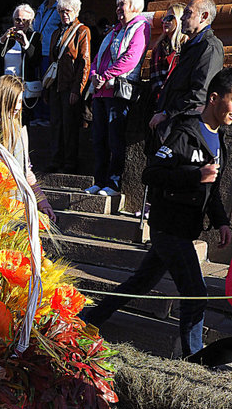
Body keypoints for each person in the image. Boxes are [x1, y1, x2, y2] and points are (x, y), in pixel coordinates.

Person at [82, 68, 232, 358]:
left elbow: (210, 189)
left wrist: (222, 222)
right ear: (214, 98)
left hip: (186, 229)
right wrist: (194, 175)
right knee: (195, 293)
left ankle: (89, 318)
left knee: (139, 282)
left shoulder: (220, 141)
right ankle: (194, 360)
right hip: (167, 228)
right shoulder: (184, 132)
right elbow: (151, 174)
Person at [85, 0, 150, 196]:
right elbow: (97, 58)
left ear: (134, 7)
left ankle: (113, 183)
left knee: (115, 139)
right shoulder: (114, 31)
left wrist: (105, 76)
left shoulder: (141, 27)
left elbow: (131, 57)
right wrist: (94, 74)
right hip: (100, 91)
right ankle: (99, 180)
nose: (118, 10)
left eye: (122, 5)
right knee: (99, 139)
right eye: (117, 5)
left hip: (117, 91)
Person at [0, 75, 56, 224]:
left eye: (20, 102)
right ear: (3, 100)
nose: (18, 107)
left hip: (14, 206)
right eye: (15, 102)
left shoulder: (20, 131)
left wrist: (42, 201)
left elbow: (26, 171)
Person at [150, 0, 223, 137]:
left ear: (204, 16)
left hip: (185, 126)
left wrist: (166, 113)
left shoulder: (210, 47)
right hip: (173, 122)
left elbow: (200, 93)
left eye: (188, 13)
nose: (182, 18)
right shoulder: (190, 46)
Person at [46, 0, 91, 174]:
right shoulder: (57, 32)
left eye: (68, 11)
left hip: (70, 85)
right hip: (56, 85)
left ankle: (70, 162)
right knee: (56, 123)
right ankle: (56, 159)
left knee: (70, 125)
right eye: (61, 11)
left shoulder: (82, 31)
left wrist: (77, 89)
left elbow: (84, 62)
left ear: (76, 11)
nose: (64, 14)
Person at [0, 4, 42, 123]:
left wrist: (25, 44)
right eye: (18, 20)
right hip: (5, 86)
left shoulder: (35, 37)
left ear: (31, 21)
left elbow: (35, 61)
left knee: (21, 122)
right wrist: (2, 39)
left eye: (25, 20)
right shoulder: (8, 36)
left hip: (22, 87)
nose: (21, 23)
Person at [32, 0, 64, 125]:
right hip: (36, 50)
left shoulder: (60, 9)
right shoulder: (41, 7)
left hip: (48, 52)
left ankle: (46, 116)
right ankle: (37, 115)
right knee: (36, 83)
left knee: (47, 84)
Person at [149, 3, 186, 103]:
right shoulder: (158, 47)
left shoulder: (186, 44)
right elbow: (155, 77)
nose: (165, 21)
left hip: (179, 99)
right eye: (164, 18)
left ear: (179, 19)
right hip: (160, 99)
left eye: (170, 18)